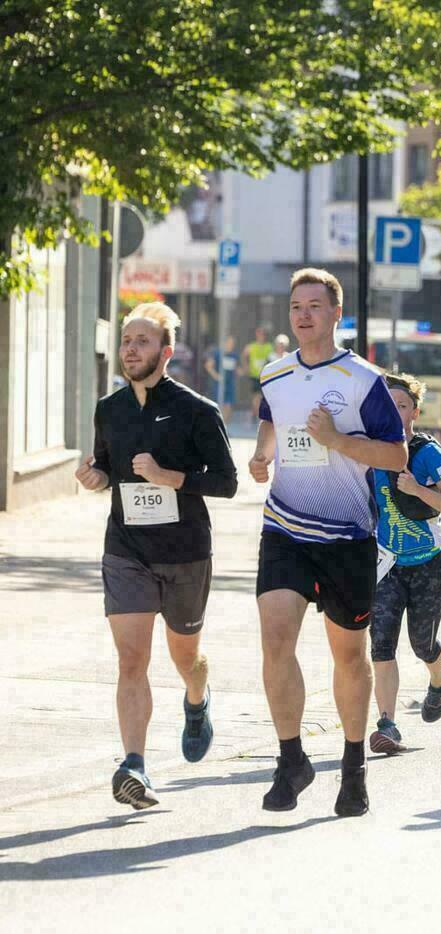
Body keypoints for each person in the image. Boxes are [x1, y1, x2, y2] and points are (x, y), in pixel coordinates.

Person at [249, 268, 408, 817]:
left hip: (347, 535)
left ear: (336, 313)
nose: (304, 314)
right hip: (285, 528)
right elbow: (271, 423)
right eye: (297, 306)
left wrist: (337, 440)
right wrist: (262, 455)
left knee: (349, 656)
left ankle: (353, 766)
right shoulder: (274, 373)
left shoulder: (364, 379)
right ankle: (291, 759)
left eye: (315, 305)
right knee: (275, 639)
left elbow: (396, 455)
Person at [75, 302, 238, 810]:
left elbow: (227, 482)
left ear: (166, 353)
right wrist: (95, 477)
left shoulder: (197, 411)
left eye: (142, 341)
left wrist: (169, 477)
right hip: (126, 549)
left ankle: (197, 699)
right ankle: (135, 766)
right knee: (131, 659)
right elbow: (107, 467)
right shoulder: (110, 409)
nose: (130, 349)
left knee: (186, 657)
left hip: (185, 551)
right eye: (127, 340)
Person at [367, 374, 441, 755]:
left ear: (415, 413)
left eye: (402, 405)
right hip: (387, 565)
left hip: (428, 564)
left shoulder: (427, 453)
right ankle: (387, 725)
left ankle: (440, 678)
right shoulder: (369, 451)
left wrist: (417, 490)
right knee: (381, 645)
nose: (395, 412)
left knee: (423, 644)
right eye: (388, 405)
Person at [204, 334, 240, 419]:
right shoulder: (218, 353)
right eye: (229, 343)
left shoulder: (234, 355)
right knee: (220, 405)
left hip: (230, 384)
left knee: (229, 406)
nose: (231, 345)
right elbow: (208, 366)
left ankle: (225, 425)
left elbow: (235, 369)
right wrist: (216, 376)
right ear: (225, 343)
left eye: (232, 344)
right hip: (219, 385)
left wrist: (239, 372)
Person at [244, 325, 275, 421]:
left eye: (262, 334)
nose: (261, 335)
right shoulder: (251, 346)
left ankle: (255, 414)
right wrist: (246, 366)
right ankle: (257, 416)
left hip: (265, 376)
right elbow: (244, 355)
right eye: (259, 333)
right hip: (255, 375)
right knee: (256, 397)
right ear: (256, 335)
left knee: (263, 397)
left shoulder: (269, 347)